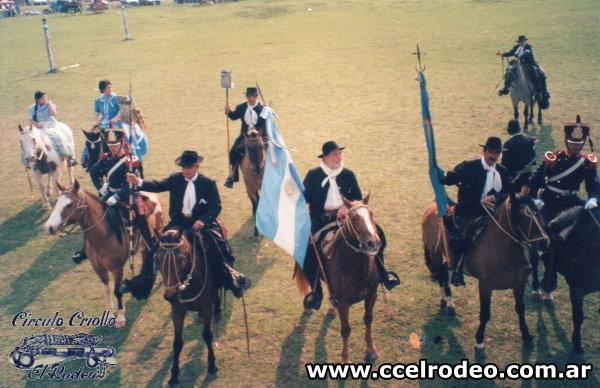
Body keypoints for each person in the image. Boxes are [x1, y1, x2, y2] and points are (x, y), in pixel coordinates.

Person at [125, 150, 251, 298]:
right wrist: (137, 181)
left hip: (202, 224)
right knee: (156, 249)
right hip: (179, 223)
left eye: (189, 168)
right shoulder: (175, 179)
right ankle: (141, 283)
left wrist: (202, 220)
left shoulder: (208, 183)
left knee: (219, 246)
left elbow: (215, 206)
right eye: (183, 168)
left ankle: (231, 278)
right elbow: (158, 185)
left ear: (197, 167)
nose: (185, 171)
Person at [301, 141, 400, 310]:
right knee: (306, 250)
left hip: (348, 218)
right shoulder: (313, 175)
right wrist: (305, 205)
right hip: (321, 220)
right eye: (335, 154)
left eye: (340, 154)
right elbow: (304, 197)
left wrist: (344, 207)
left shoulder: (347, 174)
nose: (339, 157)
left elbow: (358, 197)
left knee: (377, 233)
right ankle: (316, 292)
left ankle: (384, 273)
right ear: (325, 157)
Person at [521, 115, 600, 291]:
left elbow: (594, 184)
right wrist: (535, 199)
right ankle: (547, 265)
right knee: (547, 235)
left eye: (578, 144)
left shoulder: (587, 163)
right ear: (566, 141)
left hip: (572, 202)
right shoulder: (553, 159)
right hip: (550, 202)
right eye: (572, 143)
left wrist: (594, 198)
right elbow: (535, 181)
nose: (575, 146)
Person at [438, 137, 512, 286]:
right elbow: (449, 180)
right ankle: (457, 269)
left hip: (491, 212)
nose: (493, 156)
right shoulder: (469, 166)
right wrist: (438, 172)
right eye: (491, 152)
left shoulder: (502, 171)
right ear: (484, 151)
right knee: (461, 236)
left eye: (497, 153)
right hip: (468, 210)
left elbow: (508, 191)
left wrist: (493, 197)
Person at [71, 128, 151, 263]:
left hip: (128, 194)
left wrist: (118, 197)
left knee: (140, 213)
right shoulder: (106, 158)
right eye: (110, 146)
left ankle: (150, 245)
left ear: (121, 144)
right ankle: (84, 249)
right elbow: (94, 172)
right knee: (90, 213)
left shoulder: (130, 160)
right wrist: (101, 187)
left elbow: (131, 183)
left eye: (115, 145)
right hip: (110, 193)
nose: (113, 148)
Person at [223, 87, 266, 188]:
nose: (251, 98)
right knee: (233, 152)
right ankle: (233, 176)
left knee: (274, 150)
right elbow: (233, 117)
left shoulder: (263, 109)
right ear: (246, 97)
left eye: (253, 96)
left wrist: (259, 132)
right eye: (249, 96)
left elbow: (266, 123)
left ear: (256, 96)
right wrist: (228, 111)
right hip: (245, 136)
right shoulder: (241, 107)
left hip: (260, 136)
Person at [28, 91, 77, 166]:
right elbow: (31, 119)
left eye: (46, 97)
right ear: (38, 100)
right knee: (27, 138)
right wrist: (37, 124)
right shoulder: (32, 108)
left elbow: (54, 114)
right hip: (38, 126)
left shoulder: (50, 105)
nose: (45, 99)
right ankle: (28, 160)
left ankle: (67, 155)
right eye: (43, 98)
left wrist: (50, 105)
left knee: (58, 136)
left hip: (50, 124)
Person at [81, 79, 123, 166]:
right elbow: (97, 113)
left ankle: (122, 156)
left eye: (110, 87)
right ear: (102, 90)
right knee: (90, 137)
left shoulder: (115, 98)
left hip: (115, 123)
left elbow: (121, 111)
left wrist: (115, 119)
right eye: (108, 88)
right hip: (103, 123)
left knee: (118, 137)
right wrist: (99, 120)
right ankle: (86, 159)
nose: (110, 89)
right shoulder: (98, 101)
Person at [496, 35, 550, 99]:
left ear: (525, 41)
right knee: (509, 72)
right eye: (519, 42)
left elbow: (526, 54)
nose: (521, 43)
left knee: (541, 73)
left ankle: (543, 91)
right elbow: (511, 53)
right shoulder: (516, 47)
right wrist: (502, 54)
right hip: (519, 65)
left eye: (522, 41)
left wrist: (518, 58)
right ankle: (506, 88)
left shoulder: (528, 47)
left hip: (529, 64)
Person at [501, 119, 537, 192]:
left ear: (508, 131)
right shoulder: (529, 139)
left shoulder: (508, 144)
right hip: (529, 175)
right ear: (519, 129)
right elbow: (533, 158)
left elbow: (505, 164)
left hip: (515, 179)